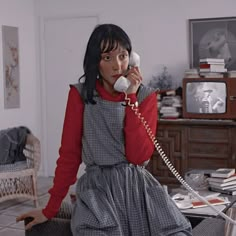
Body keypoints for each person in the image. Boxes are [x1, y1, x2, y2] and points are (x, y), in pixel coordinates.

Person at [16, 23, 192, 235]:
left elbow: (137, 157)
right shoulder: (80, 95)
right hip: (98, 191)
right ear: (95, 62)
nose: (117, 66)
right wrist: (50, 208)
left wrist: (132, 98)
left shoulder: (145, 96)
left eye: (123, 56)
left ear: (132, 59)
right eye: (107, 58)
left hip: (137, 189)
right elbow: (69, 156)